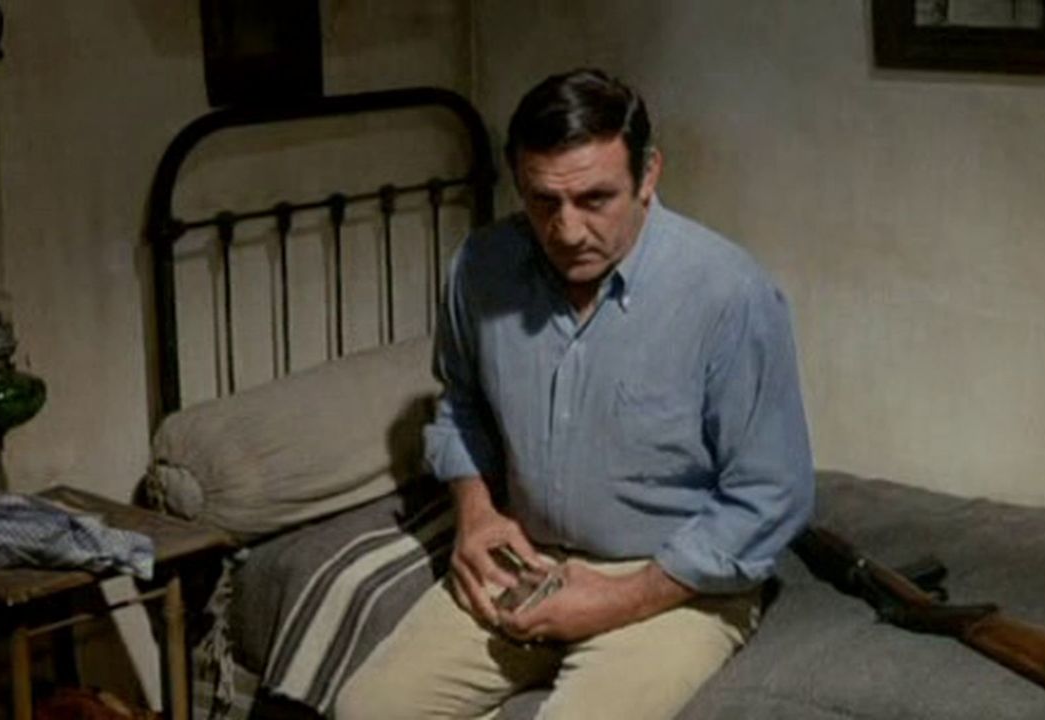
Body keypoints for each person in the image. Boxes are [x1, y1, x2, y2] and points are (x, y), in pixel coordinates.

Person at [335, 68, 814, 720]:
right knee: (365, 711)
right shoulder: (480, 268)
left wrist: (620, 597)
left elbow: (770, 493)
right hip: (525, 559)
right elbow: (461, 405)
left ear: (648, 175)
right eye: (543, 201)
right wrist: (476, 513)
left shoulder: (729, 294)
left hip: (674, 579)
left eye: (595, 199)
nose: (566, 230)